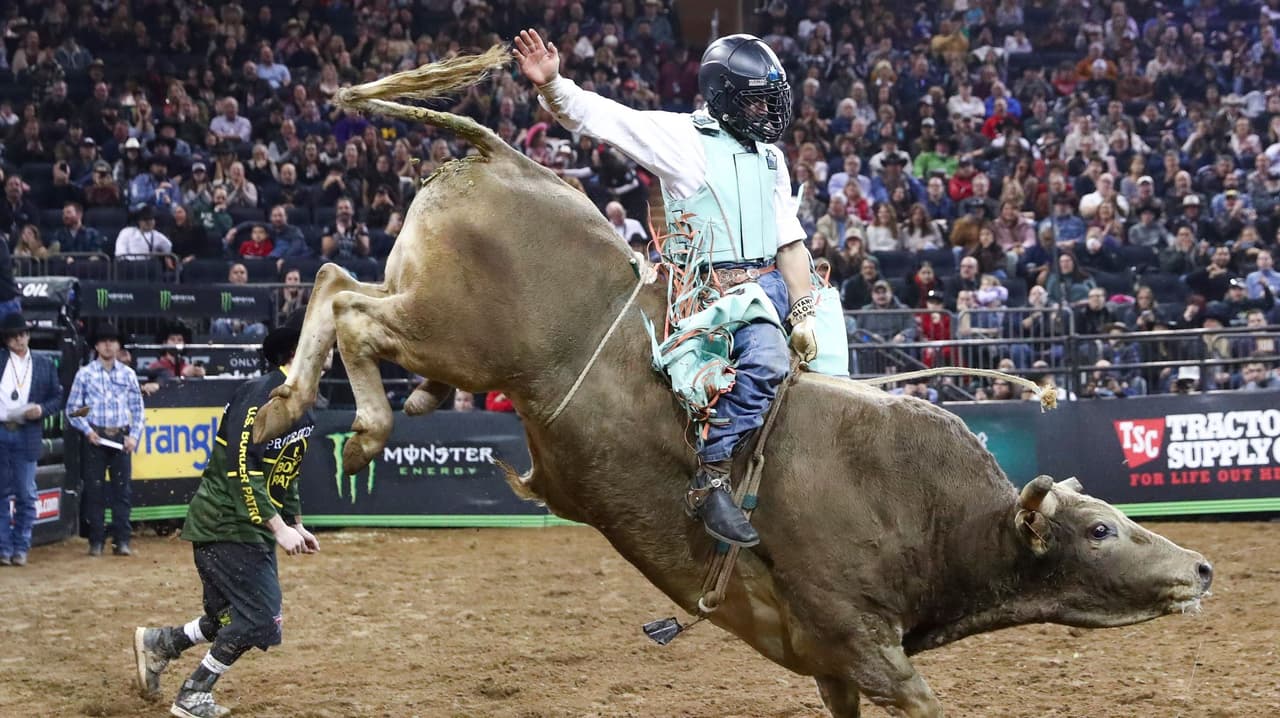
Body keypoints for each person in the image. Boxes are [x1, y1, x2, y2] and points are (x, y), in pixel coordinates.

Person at [516, 29, 817, 547]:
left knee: (831, 371)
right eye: (756, 100)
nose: (769, 112)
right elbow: (606, 118)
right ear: (722, 97)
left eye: (772, 100)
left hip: (771, 288)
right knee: (766, 363)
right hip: (713, 299)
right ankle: (712, 476)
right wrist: (554, 87)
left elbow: (790, 245)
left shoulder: (772, 159)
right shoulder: (683, 139)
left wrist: (808, 311)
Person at [132, 317, 321, 718]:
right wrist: (278, 527)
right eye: (324, 347)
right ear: (299, 354)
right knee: (261, 620)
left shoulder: (301, 406)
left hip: (241, 527)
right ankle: (193, 693)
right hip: (225, 524)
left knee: (225, 620)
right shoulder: (259, 396)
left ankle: (162, 643)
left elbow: (286, 471)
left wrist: (296, 521)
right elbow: (241, 472)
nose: (331, 355)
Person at [66, 323, 145, 556]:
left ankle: (122, 540)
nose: (108, 345)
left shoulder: (128, 374)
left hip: (120, 437)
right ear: (97, 346)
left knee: (122, 492)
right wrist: (87, 430)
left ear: (119, 345)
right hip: (95, 437)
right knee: (95, 490)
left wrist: (133, 436)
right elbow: (73, 409)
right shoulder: (85, 374)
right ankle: (96, 541)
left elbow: (138, 409)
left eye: (112, 340)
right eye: (103, 341)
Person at [0, 313, 62, 566]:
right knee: (1, 494)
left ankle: (20, 546)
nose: (20, 339)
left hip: (27, 431)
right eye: (14, 335)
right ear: (6, 339)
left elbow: (58, 398)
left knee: (26, 493)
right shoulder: (2, 360)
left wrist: (42, 410)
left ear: (28, 335)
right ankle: (4, 547)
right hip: (2, 430)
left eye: (23, 334)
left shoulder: (44, 363)